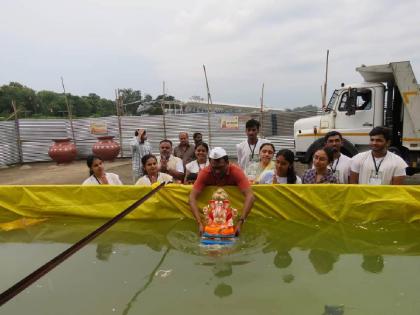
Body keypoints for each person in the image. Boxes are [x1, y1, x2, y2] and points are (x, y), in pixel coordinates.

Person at [189, 147, 255, 235]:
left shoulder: (236, 171)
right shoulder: (204, 173)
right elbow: (191, 198)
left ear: (227, 163)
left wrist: (240, 222)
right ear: (210, 164)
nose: (217, 171)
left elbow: (250, 196)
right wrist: (199, 223)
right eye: (214, 168)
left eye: (220, 167)